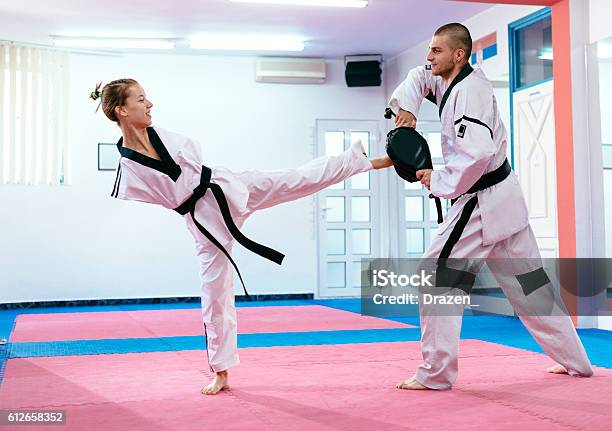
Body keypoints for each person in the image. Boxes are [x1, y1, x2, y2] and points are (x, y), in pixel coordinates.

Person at [92, 78, 391, 394]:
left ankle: (367, 162)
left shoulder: (164, 136)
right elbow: (170, 193)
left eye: (147, 97)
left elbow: (192, 159)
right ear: (122, 110)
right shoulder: (128, 169)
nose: (150, 104)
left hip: (225, 185)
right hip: (204, 220)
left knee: (295, 179)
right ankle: (220, 370)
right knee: (215, 292)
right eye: (141, 99)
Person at [387, 23, 593, 390]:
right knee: (533, 287)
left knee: (436, 277)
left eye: (436, 50)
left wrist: (438, 180)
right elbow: (417, 78)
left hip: (481, 203)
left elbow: (478, 154)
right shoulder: (445, 77)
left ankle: (436, 374)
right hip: (507, 203)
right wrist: (409, 110)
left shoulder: (471, 93)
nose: (428, 57)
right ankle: (576, 362)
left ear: (458, 54)